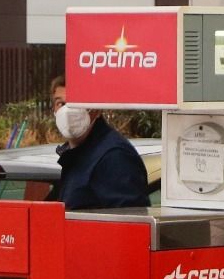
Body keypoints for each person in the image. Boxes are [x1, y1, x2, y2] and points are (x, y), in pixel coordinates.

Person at [48, 76, 149, 210]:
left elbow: (131, 222)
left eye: (76, 103)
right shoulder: (77, 155)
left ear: (96, 109)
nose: (67, 112)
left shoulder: (114, 157)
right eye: (61, 103)